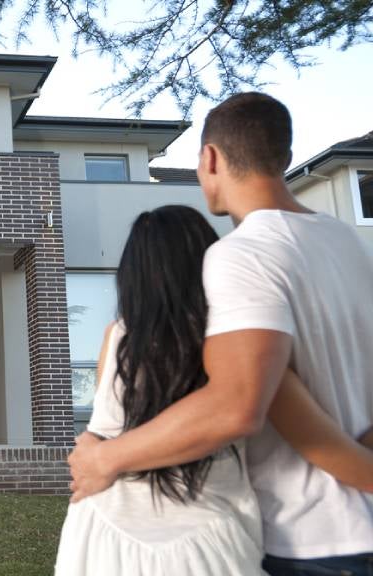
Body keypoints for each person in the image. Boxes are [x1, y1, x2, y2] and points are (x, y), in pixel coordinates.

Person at [67, 92, 373, 574]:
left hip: (306, 536)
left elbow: (238, 404)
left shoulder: (240, 256)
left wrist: (104, 459)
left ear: (210, 158)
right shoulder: (347, 242)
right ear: (286, 158)